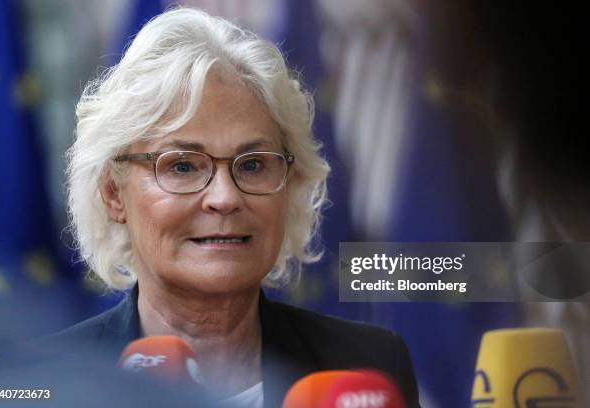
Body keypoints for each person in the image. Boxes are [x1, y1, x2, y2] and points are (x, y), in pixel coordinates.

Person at [47, 7, 419, 407]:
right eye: (183, 166)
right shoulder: (44, 381)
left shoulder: (369, 366)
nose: (225, 197)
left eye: (254, 164)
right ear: (113, 194)